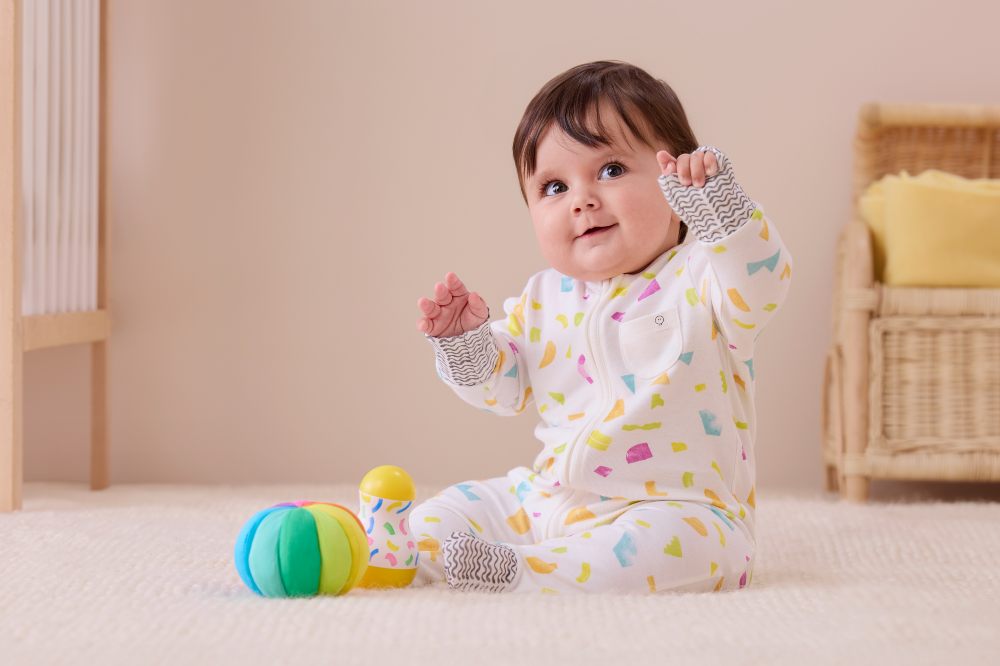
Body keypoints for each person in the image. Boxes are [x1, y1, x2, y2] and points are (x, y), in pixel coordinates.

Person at [410, 60, 792, 594]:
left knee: (697, 548)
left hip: (671, 509)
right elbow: (503, 389)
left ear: (676, 179)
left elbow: (764, 280)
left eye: (610, 170)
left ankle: (524, 573)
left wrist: (720, 210)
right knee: (444, 516)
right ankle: (409, 548)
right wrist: (465, 345)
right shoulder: (543, 298)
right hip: (549, 498)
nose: (582, 200)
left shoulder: (703, 277)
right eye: (554, 187)